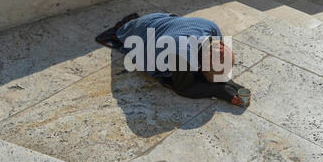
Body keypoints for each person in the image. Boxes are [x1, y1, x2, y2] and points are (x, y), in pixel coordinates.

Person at [96, 12, 245, 106]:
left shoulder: (213, 29)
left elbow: (216, 62)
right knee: (176, 77)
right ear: (199, 69)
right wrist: (221, 91)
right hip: (138, 29)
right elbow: (184, 88)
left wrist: (233, 85)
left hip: (160, 19)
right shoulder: (181, 54)